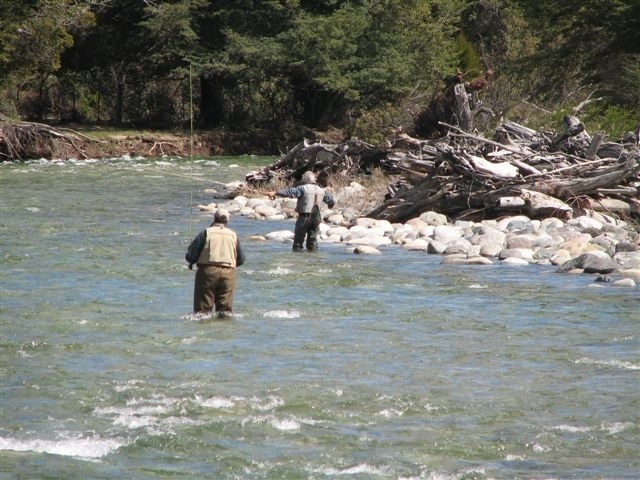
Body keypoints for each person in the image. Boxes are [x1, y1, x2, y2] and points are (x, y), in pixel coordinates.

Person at [185, 208, 245, 315]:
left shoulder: (206, 233)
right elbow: (241, 259)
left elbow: (191, 254)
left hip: (208, 272)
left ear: (214, 218)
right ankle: (223, 329)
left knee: (202, 312)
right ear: (227, 221)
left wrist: (190, 261)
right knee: (225, 311)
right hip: (229, 273)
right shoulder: (233, 235)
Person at [268, 171, 335, 251]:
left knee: (298, 243)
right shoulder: (322, 191)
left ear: (305, 180)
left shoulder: (303, 188)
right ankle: (313, 259)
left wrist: (275, 193)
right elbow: (331, 201)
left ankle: (298, 259)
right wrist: (330, 205)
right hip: (316, 218)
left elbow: (289, 192)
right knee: (313, 243)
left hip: (304, 217)